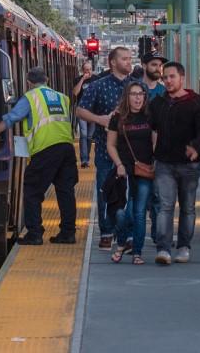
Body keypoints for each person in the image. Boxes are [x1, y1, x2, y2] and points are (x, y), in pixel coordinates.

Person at [0, 67, 78, 245]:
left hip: (46, 149)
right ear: (47, 80)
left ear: (29, 82)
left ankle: (34, 233)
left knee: (31, 190)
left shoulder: (30, 97)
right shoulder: (62, 97)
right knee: (66, 191)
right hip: (67, 148)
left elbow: (11, 118)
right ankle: (68, 233)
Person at [149, 62, 200, 265]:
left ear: (182, 78)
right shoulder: (158, 103)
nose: (167, 81)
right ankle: (164, 248)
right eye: (165, 77)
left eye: (172, 77)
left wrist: (195, 146)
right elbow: (150, 127)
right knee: (165, 206)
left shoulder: (195, 102)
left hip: (188, 164)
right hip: (164, 163)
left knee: (187, 207)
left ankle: (184, 246)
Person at [77, 47, 136, 250]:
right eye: (125, 59)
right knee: (107, 192)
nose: (129, 62)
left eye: (130, 59)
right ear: (112, 62)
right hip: (104, 151)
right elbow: (80, 109)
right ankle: (106, 231)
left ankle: (127, 234)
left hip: (132, 152)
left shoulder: (135, 87)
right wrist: (99, 119)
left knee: (130, 194)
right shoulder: (97, 86)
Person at [106, 82, 155, 265]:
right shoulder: (117, 118)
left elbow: (155, 142)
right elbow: (110, 144)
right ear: (127, 97)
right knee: (122, 213)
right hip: (124, 172)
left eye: (141, 94)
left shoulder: (150, 116)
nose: (137, 98)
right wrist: (118, 164)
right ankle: (121, 243)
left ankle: (137, 252)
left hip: (144, 170)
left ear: (145, 96)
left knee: (139, 212)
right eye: (133, 94)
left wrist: (155, 163)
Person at [140, 51, 167, 244]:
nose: (158, 69)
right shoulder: (134, 89)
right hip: (138, 151)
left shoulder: (164, 92)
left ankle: (158, 234)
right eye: (154, 65)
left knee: (159, 197)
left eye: (160, 66)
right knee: (140, 198)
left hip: (160, 152)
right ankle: (136, 237)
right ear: (144, 65)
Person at [73, 61, 95, 168]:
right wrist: (82, 80)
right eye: (86, 70)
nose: (88, 72)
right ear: (82, 70)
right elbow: (75, 93)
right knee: (84, 135)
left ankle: (87, 157)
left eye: (90, 69)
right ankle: (84, 159)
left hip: (93, 112)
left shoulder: (96, 79)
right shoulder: (78, 80)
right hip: (82, 111)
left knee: (90, 136)